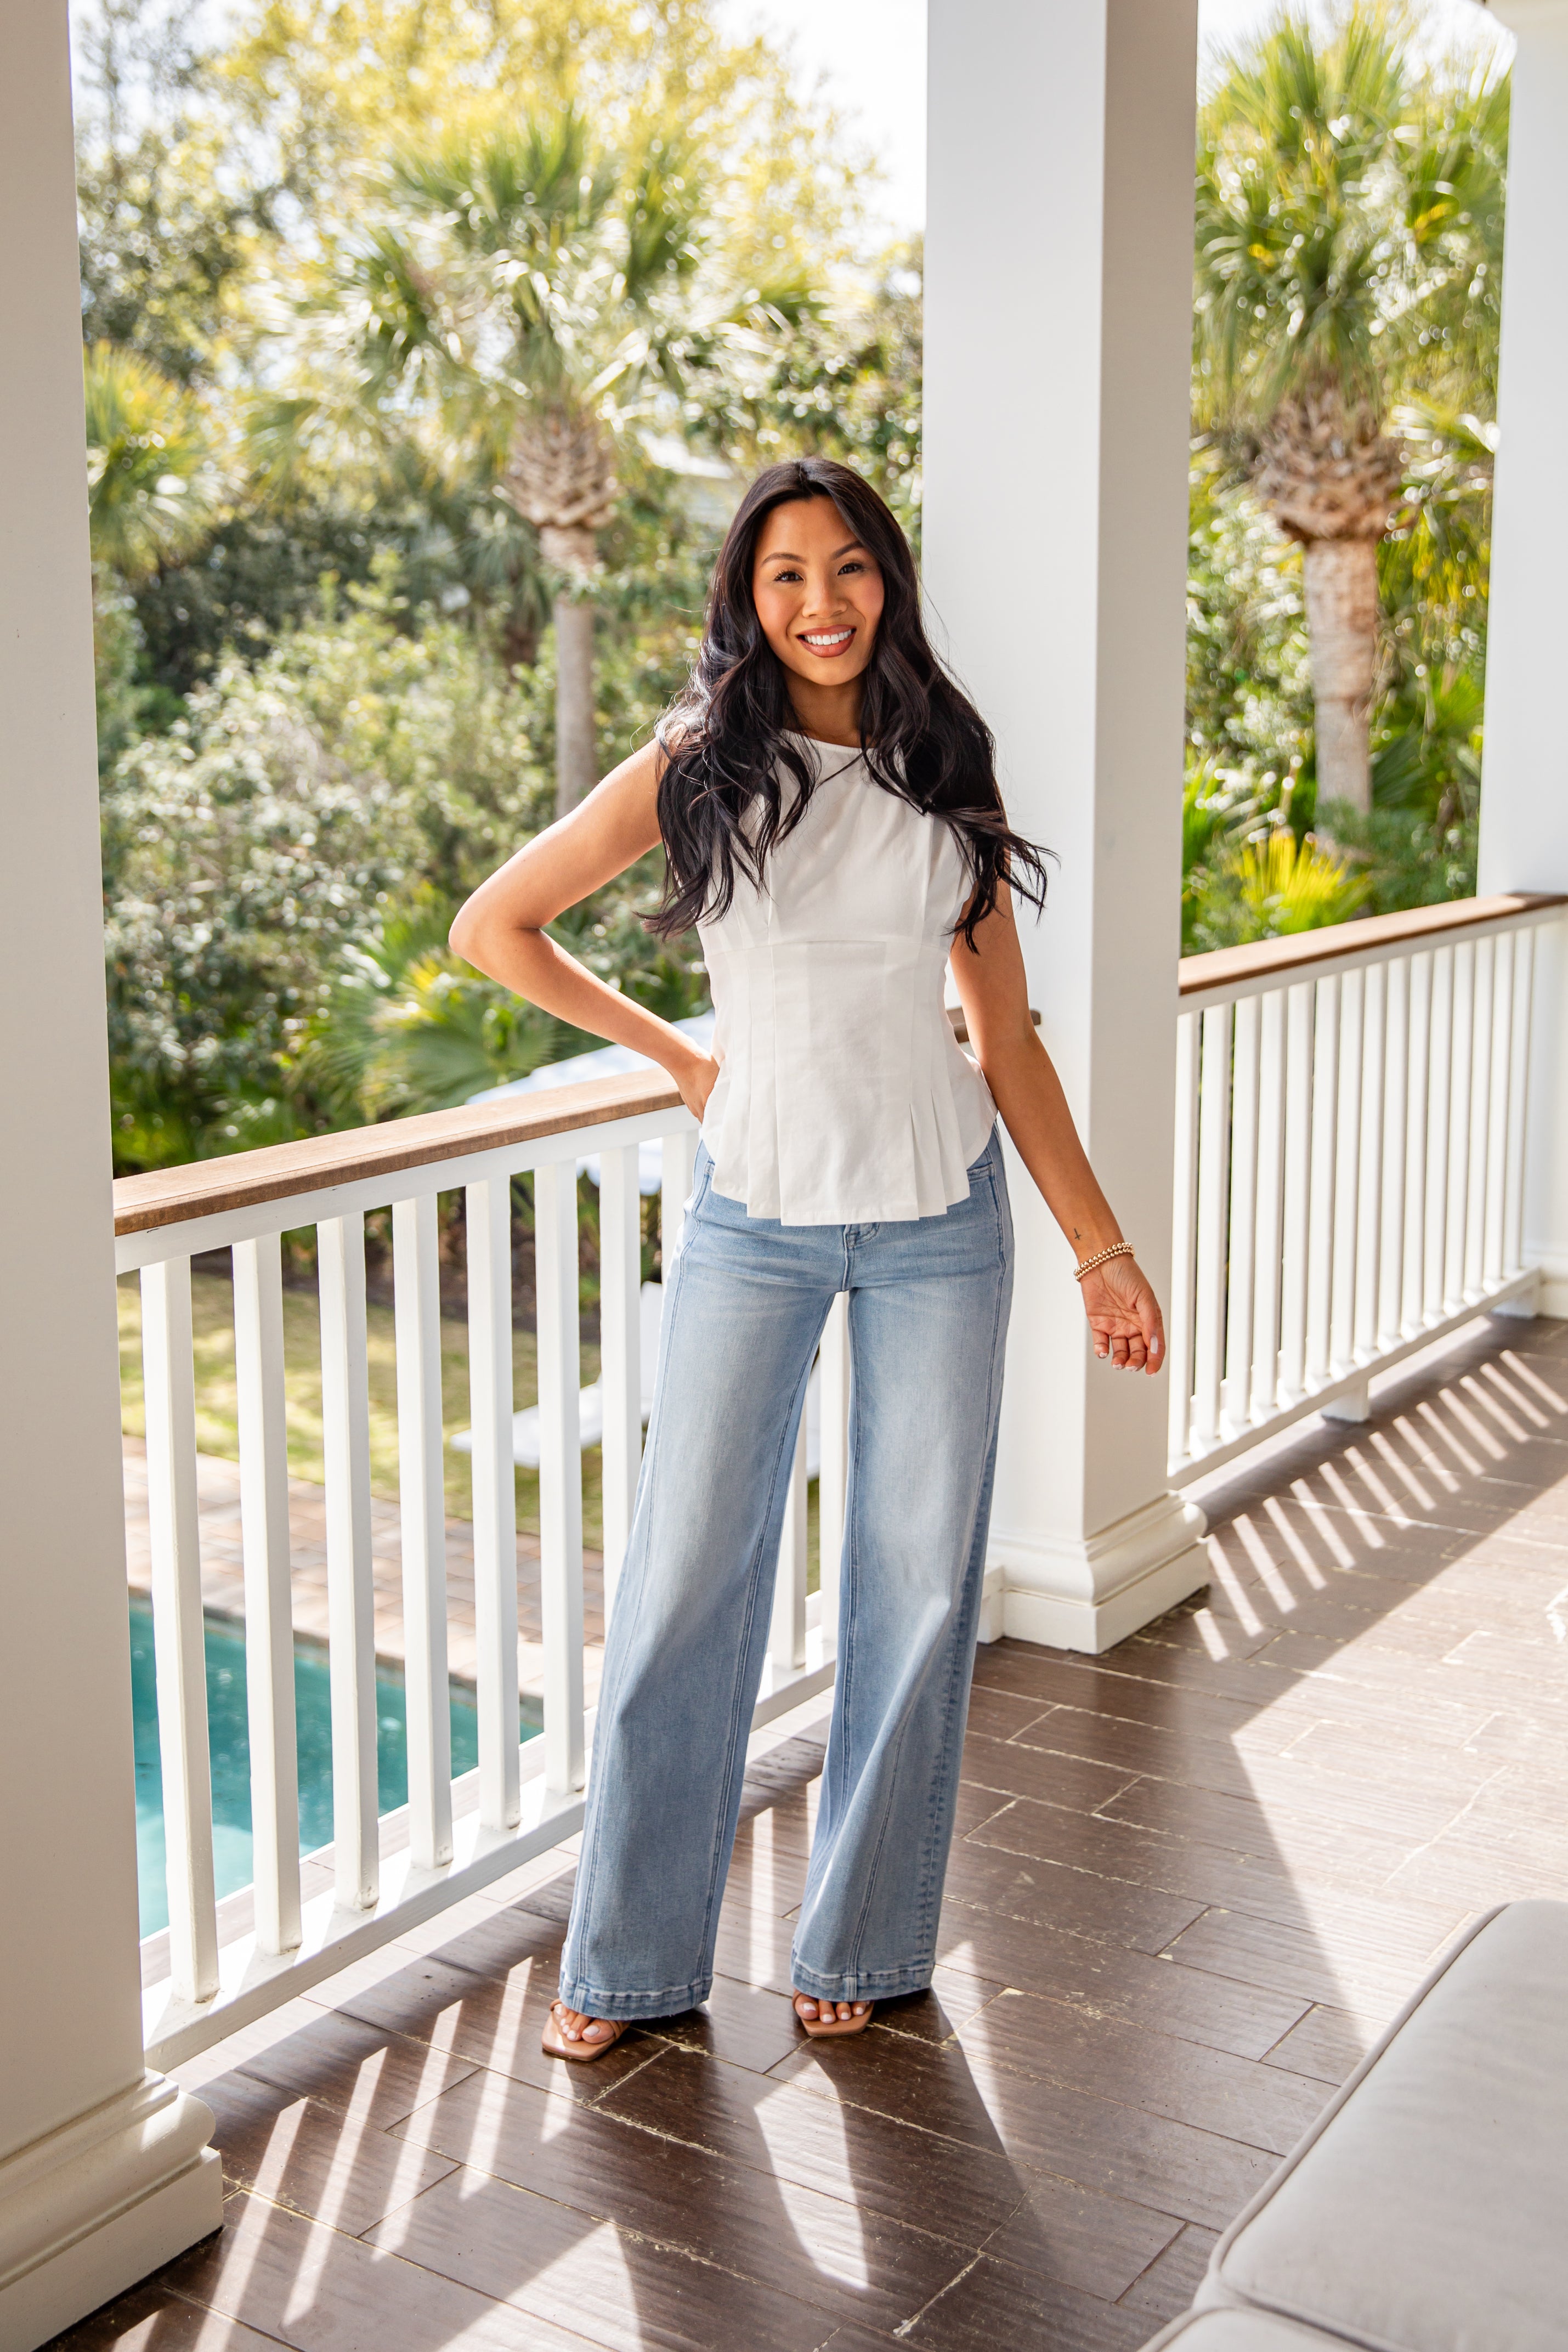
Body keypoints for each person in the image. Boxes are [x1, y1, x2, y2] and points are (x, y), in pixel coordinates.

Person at [449, 455, 1165, 2058]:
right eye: (786, 576)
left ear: (885, 581)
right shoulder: (696, 763)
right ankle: (627, 1963)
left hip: (940, 1223)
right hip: (751, 1222)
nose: (821, 603)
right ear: (744, 596)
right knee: (684, 1588)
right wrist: (679, 1062)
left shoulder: (941, 764)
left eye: (846, 569)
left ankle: (863, 1936)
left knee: (915, 1593)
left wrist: (1100, 1250)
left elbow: (1008, 1043)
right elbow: (496, 927)